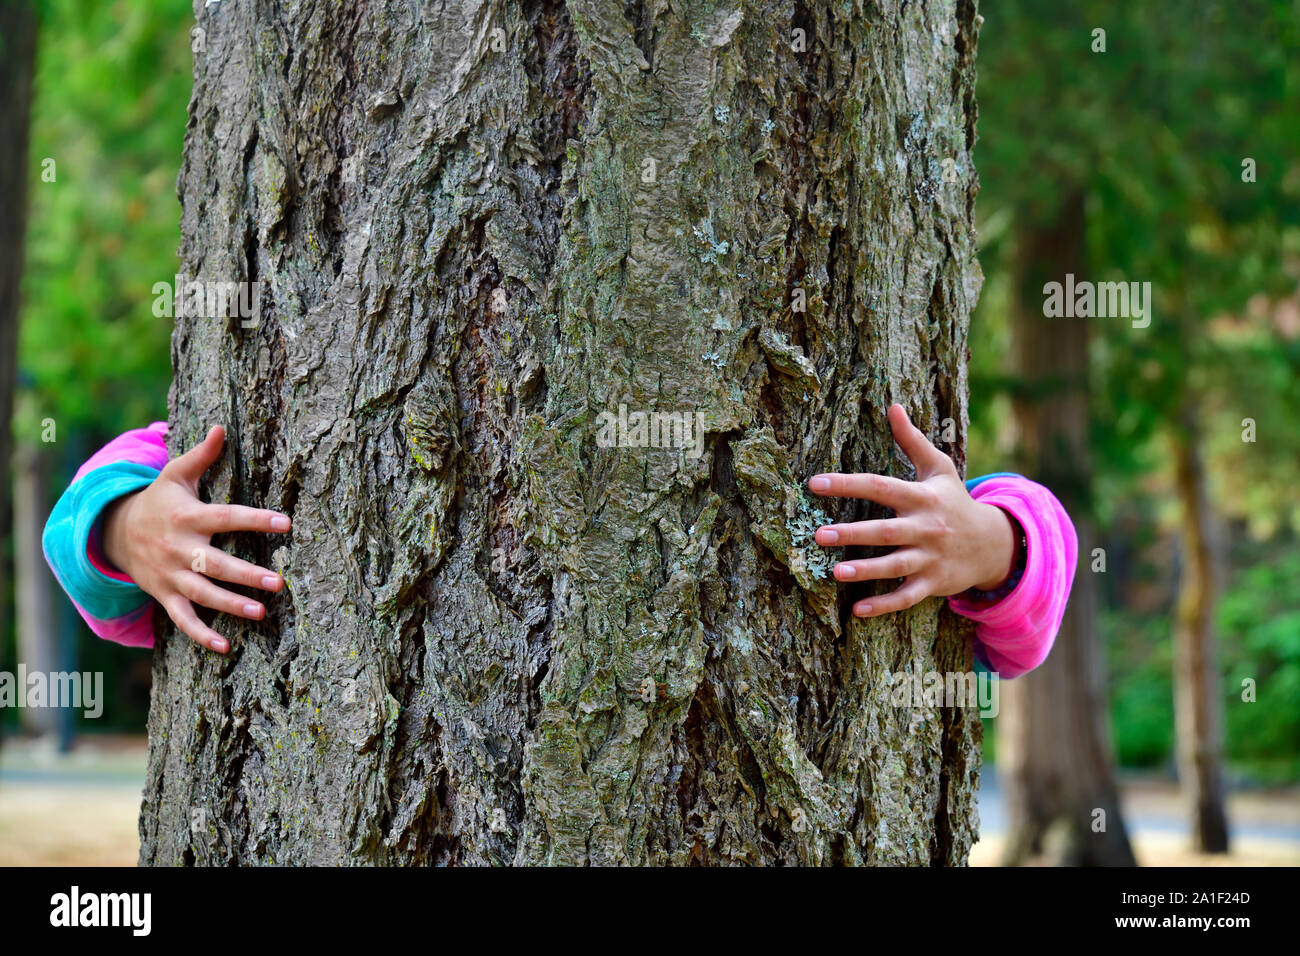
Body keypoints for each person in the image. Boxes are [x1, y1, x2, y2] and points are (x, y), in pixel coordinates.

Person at [43, 405, 1074, 676]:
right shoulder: (204, 454)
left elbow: (1024, 616)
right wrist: (130, 526)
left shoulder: (918, 503)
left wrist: (990, 541)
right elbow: (81, 546)